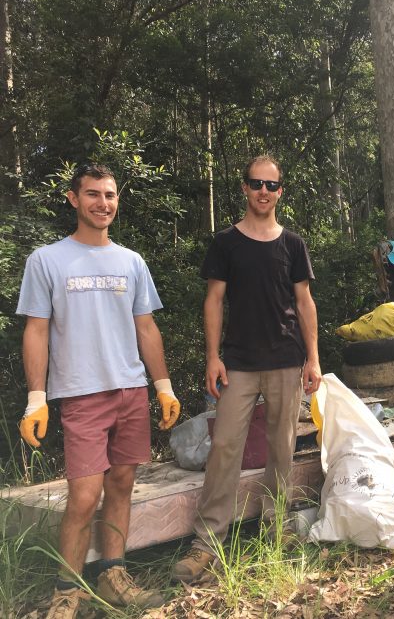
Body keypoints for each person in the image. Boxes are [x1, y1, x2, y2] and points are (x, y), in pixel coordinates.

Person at [16, 163, 181, 619]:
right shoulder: (47, 260)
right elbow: (36, 330)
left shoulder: (131, 261)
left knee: (123, 485)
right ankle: (66, 593)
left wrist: (162, 387)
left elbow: (145, 328)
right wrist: (36, 399)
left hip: (130, 390)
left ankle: (113, 576)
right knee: (84, 496)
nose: (102, 203)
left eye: (109, 195)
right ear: (73, 198)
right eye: (92, 194)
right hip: (81, 395)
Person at [172, 155, 321, 583]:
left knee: (281, 448)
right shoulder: (226, 243)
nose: (263, 191)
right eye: (256, 184)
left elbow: (305, 301)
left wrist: (313, 357)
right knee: (224, 451)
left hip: (286, 360)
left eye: (271, 185)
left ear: (280, 192)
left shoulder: (292, 244)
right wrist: (212, 357)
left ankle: (277, 532)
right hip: (237, 362)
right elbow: (214, 301)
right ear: (244, 188)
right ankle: (207, 545)